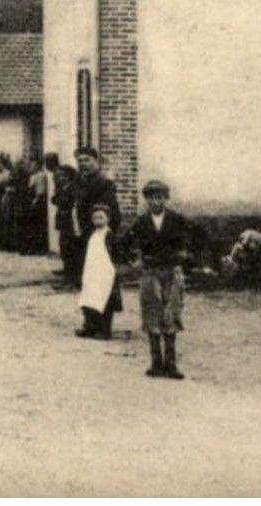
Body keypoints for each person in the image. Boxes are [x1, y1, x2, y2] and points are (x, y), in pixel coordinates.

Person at [122, 180, 196, 379]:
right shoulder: (141, 222)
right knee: (151, 314)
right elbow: (124, 243)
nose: (155, 201)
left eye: (159, 197)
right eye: (151, 198)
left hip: (172, 271)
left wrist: (185, 257)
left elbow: (193, 239)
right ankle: (156, 363)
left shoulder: (177, 220)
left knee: (171, 313)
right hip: (150, 272)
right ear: (146, 200)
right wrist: (134, 260)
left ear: (166, 198)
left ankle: (171, 364)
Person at [75, 206, 124, 340]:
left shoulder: (109, 236)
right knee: (89, 299)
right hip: (91, 271)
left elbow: (117, 254)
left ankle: (105, 330)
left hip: (105, 273)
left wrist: (115, 269)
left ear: (108, 219)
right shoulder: (91, 234)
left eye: (101, 217)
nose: (97, 220)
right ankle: (90, 327)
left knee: (104, 300)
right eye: (95, 217)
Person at [72, 146, 121, 277]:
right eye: (80, 161)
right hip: (85, 228)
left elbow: (107, 209)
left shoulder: (104, 182)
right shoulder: (80, 180)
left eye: (87, 160)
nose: (83, 164)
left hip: (99, 228)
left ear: (95, 160)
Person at [51, 162, 81, 288]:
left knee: (69, 249)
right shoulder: (63, 187)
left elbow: (67, 203)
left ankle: (71, 279)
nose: (59, 178)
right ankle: (67, 274)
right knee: (64, 248)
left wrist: (61, 201)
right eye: (58, 176)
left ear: (69, 176)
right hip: (64, 222)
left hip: (70, 223)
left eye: (63, 175)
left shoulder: (72, 188)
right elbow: (54, 200)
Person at [23, 154, 54, 255]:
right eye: (30, 164)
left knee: (37, 225)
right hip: (31, 199)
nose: (31, 166)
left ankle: (37, 248)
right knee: (31, 225)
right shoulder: (32, 176)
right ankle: (31, 247)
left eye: (33, 164)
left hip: (38, 201)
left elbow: (40, 191)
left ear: (38, 165)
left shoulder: (41, 175)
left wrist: (34, 201)